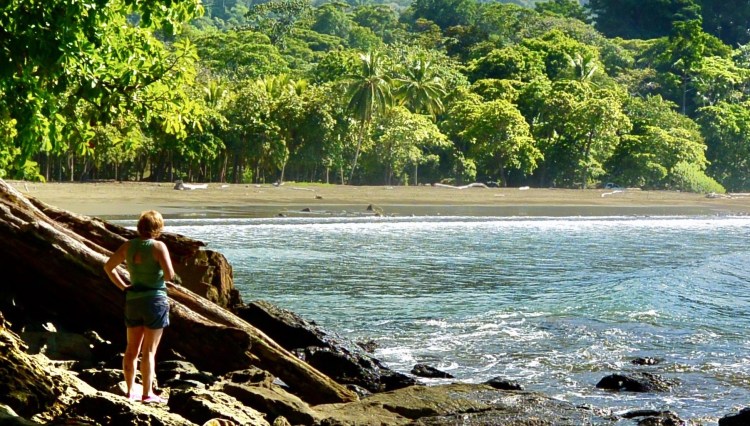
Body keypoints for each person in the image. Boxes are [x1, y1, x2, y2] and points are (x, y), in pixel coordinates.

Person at [104, 210, 175, 404]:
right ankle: (147, 393)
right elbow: (169, 276)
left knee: (131, 349)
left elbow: (108, 267)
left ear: (139, 226)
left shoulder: (128, 246)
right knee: (149, 351)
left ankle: (129, 392)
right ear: (158, 227)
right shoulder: (159, 246)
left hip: (133, 300)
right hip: (155, 300)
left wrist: (123, 286)